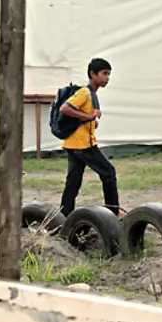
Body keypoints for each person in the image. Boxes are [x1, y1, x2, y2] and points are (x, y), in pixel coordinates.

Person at [58, 58, 121, 219]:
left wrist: (91, 121)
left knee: (73, 181)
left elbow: (82, 117)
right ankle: (113, 212)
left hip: (74, 143)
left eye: (109, 74)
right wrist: (88, 116)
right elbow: (65, 108)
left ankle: (64, 215)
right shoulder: (85, 93)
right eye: (104, 73)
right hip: (83, 145)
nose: (107, 78)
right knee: (108, 172)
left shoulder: (92, 94)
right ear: (93, 74)